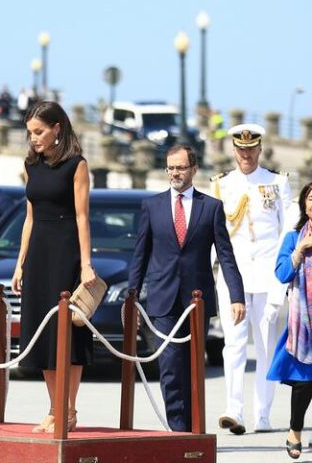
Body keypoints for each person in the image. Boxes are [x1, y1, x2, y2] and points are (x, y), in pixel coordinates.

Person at [128, 144, 245, 432]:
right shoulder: (152, 206)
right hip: (163, 299)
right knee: (170, 366)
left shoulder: (211, 207)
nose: (175, 173)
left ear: (194, 169)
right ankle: (177, 431)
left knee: (192, 366)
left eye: (181, 167)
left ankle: (193, 430)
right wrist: (132, 296)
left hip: (196, 301)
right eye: (170, 168)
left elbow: (226, 256)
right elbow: (140, 255)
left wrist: (237, 296)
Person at [10, 101, 95, 433]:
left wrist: (86, 265)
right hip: (39, 255)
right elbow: (29, 218)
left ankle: (68, 409)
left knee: (69, 335)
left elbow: (83, 217)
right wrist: (20, 264)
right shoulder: (31, 165)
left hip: (66, 253)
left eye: (39, 132)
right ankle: (54, 408)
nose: (33, 138)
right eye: (30, 133)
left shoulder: (77, 165)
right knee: (42, 333)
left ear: (57, 128)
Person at [211, 123, 293, 434]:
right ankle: (234, 410)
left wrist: (281, 281)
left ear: (259, 149)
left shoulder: (277, 183)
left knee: (266, 346)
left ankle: (263, 414)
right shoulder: (221, 185)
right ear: (234, 151)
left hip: (267, 275)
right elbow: (214, 235)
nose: (246, 154)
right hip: (233, 276)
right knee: (233, 344)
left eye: (251, 149)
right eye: (241, 149)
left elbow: (287, 232)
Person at [267, 181, 312, 460]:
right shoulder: (294, 237)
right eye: (311, 198)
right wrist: (299, 250)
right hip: (304, 323)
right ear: (304, 204)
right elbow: (282, 274)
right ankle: (295, 431)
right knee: (304, 381)